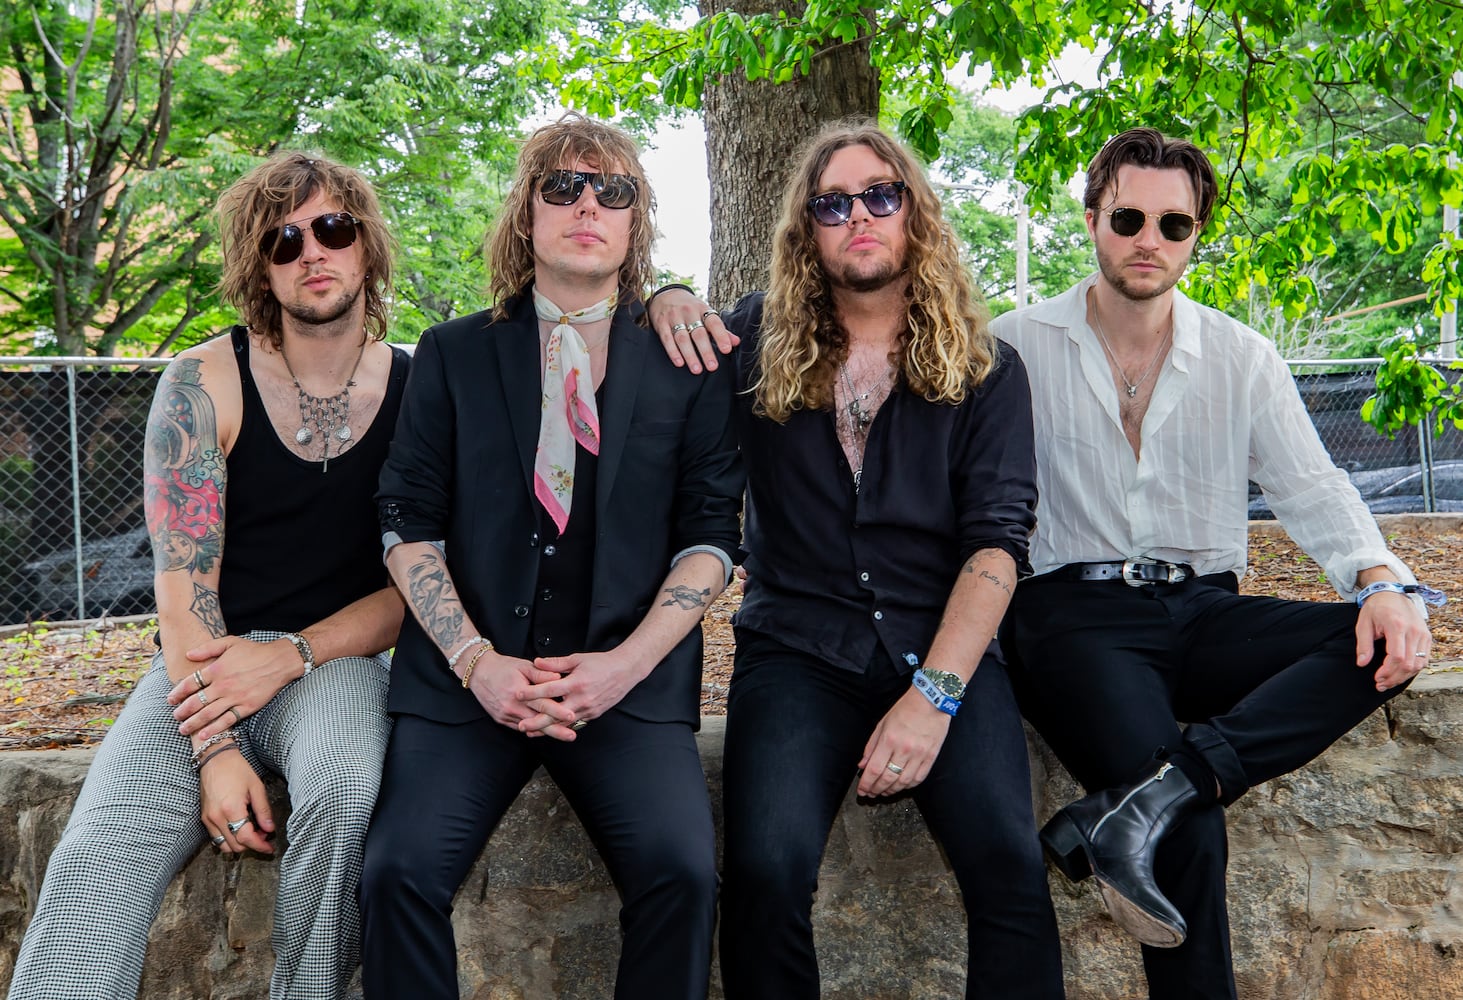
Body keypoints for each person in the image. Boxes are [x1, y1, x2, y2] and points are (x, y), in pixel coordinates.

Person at [985, 128, 1437, 998]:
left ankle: (1151, 794)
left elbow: (1311, 486)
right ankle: (1160, 803)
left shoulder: (1241, 356)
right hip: (1072, 618)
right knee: (1190, 834)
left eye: (1172, 223)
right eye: (1126, 217)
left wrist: (1382, 583)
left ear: (1197, 234)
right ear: (1090, 220)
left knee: (1379, 644)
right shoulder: (1011, 344)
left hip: (1203, 609)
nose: (1147, 239)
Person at [650, 119, 1065, 998]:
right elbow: (662, 357)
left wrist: (935, 696)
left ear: (914, 211)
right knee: (763, 875)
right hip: (797, 651)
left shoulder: (989, 369)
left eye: (880, 195)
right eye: (832, 204)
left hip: (941, 645)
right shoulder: (754, 347)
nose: (858, 218)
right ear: (807, 228)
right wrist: (668, 293)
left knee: (1008, 868)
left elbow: (997, 545)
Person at [358, 113, 742, 1000]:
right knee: (396, 875)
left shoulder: (686, 360)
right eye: (561, 187)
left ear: (635, 222)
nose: (586, 206)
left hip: (624, 684)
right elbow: (404, 520)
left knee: (683, 875)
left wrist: (625, 668)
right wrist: (475, 662)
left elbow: (712, 534)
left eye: (613, 191)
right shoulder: (452, 353)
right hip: (467, 688)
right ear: (525, 214)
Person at [8, 152, 408, 1000]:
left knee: (346, 790)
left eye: (332, 228)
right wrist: (217, 749)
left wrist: (294, 654)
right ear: (259, 264)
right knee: (93, 857)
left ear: (366, 244)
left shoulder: (420, 387)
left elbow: (417, 588)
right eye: (283, 238)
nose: (312, 252)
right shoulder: (202, 380)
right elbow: (181, 584)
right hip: (201, 668)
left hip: (333, 663)